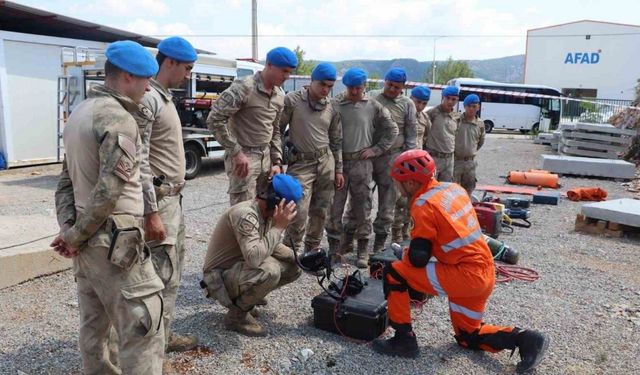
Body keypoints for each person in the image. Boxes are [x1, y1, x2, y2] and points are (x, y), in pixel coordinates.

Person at [372, 150, 549, 374]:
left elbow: (418, 259)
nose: (397, 187)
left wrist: (404, 254)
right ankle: (525, 339)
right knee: (467, 337)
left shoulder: (423, 204)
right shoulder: (453, 189)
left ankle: (403, 339)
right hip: (484, 273)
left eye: (399, 182)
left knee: (395, 272)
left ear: (411, 183)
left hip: (464, 276)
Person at [52, 40, 165, 374]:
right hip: (114, 240)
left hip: (88, 243)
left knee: (94, 325)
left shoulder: (79, 114)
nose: (149, 88)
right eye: (147, 80)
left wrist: (70, 230)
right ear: (128, 76)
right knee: (144, 324)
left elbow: (65, 183)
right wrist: (73, 236)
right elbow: (109, 190)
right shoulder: (119, 119)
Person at [134, 36, 200, 352]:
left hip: (173, 199)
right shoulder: (149, 101)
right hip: (159, 202)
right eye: (186, 68)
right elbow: (139, 159)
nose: (189, 74)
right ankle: (150, 348)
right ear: (169, 62)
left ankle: (163, 335)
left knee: (171, 274)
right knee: (159, 276)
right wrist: (151, 212)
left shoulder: (165, 98)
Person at [201, 173, 303, 337]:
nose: (291, 213)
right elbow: (254, 258)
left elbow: (272, 245)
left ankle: (247, 301)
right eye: (289, 207)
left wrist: (301, 259)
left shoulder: (267, 213)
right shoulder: (245, 215)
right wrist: (279, 227)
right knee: (270, 271)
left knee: (294, 267)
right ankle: (236, 316)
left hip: (237, 269)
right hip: (217, 279)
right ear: (275, 202)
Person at [325, 67, 397, 268]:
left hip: (361, 163)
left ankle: (362, 249)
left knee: (363, 206)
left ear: (364, 86)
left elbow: (392, 129)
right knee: (335, 207)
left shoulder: (373, 106)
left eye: (357, 88)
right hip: (339, 162)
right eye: (350, 88)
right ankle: (334, 249)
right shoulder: (336, 104)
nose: (354, 92)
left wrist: (376, 150)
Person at [207, 46, 297, 205]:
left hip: (266, 159)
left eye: (289, 72)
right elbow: (214, 119)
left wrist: (276, 161)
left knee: (265, 209)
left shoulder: (279, 95)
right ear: (269, 65)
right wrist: (236, 152)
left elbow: (275, 131)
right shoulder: (244, 88)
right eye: (284, 71)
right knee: (243, 212)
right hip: (244, 159)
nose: (287, 76)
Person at [280, 63, 344, 253]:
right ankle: (290, 253)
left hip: (325, 162)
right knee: (298, 211)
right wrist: (277, 159)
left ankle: (312, 250)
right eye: (322, 84)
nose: (325, 90)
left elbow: (336, 139)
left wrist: (339, 169)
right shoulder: (292, 101)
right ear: (311, 81)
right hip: (301, 164)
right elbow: (276, 130)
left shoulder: (332, 107)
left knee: (321, 210)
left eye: (330, 86)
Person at [368, 68, 417, 254]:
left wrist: (406, 162)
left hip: (393, 158)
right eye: (389, 85)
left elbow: (411, 135)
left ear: (403, 88)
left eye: (397, 87)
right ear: (384, 81)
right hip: (369, 155)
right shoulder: (372, 96)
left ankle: (379, 243)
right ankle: (354, 239)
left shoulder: (407, 105)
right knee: (361, 199)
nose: (392, 89)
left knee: (387, 203)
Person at [391, 85, 433, 243]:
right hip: (404, 165)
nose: (420, 106)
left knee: (414, 200)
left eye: (423, 103)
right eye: (417, 102)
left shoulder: (425, 119)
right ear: (411, 99)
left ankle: (406, 229)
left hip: (418, 166)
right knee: (399, 200)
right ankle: (395, 231)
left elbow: (425, 138)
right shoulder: (402, 114)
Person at [425, 86, 459, 182]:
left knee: (445, 190)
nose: (450, 102)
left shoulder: (456, 117)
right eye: (447, 98)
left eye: (453, 99)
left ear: (457, 100)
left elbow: (455, 136)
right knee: (430, 187)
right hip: (434, 158)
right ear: (442, 98)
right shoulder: (432, 113)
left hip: (449, 160)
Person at [454, 94, 485, 196]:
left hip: (470, 163)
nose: (471, 109)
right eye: (469, 106)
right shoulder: (456, 120)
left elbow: (480, 142)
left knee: (468, 190)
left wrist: (471, 151)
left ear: (478, 107)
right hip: (455, 161)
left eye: (474, 106)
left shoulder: (480, 124)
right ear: (464, 106)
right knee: (452, 189)